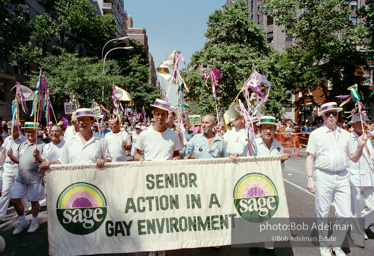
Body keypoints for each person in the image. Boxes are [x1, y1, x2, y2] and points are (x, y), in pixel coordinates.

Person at [306, 102, 367, 256]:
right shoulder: (316, 134)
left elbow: (353, 158)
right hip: (323, 175)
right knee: (323, 212)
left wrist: (359, 146)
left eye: (334, 113)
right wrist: (310, 178)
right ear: (323, 116)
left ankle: (336, 244)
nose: (332, 116)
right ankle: (324, 246)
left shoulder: (346, 135)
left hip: (343, 176)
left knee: (345, 213)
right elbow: (309, 157)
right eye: (328, 114)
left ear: (338, 115)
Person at [253, 116, 290, 254]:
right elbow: (244, 162)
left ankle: (269, 247)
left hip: (272, 185)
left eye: (271, 128)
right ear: (260, 129)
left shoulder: (278, 145)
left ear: (274, 130)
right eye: (265, 128)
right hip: (256, 184)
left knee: (271, 216)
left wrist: (281, 161)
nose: (268, 131)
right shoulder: (253, 144)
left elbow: (281, 168)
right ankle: (255, 242)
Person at [8, 122, 46, 234]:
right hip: (21, 178)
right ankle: (22, 221)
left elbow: (44, 163)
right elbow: (20, 161)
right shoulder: (22, 145)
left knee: (34, 201)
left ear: (37, 132)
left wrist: (38, 156)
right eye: (27, 132)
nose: (29, 134)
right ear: (24, 132)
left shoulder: (42, 145)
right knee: (14, 199)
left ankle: (34, 221)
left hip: (35, 178)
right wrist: (11, 156)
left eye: (32, 131)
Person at [42, 108, 111, 168]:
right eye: (79, 120)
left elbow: (109, 159)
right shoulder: (70, 142)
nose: (81, 122)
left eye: (84, 119)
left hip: (94, 181)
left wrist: (104, 161)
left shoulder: (101, 140)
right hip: (75, 182)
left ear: (92, 121)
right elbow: (62, 161)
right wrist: (49, 164)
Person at [349, 114, 374, 238]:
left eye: (365, 121)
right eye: (360, 122)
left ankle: (361, 224)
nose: (364, 124)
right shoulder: (349, 138)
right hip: (355, 177)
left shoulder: (369, 139)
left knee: (373, 206)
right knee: (355, 208)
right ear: (353, 125)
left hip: (370, 177)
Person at [0, 122, 27, 222]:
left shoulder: (24, 140)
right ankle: (1, 215)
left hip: (18, 167)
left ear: (18, 129)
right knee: (5, 191)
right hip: (7, 167)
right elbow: (3, 153)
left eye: (13, 128)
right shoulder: (7, 139)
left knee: (19, 191)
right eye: (8, 128)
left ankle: (24, 208)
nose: (10, 130)